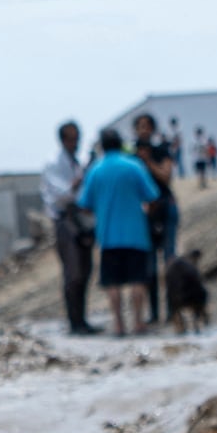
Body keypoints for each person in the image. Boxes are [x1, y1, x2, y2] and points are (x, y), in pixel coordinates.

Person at [76, 127, 161, 337]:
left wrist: (101, 208)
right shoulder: (134, 166)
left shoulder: (96, 170)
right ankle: (139, 322)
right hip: (136, 232)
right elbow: (152, 195)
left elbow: (84, 204)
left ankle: (119, 324)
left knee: (112, 282)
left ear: (102, 146)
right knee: (137, 280)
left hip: (108, 235)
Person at [41, 120, 99, 335]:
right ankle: (74, 321)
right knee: (73, 272)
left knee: (85, 270)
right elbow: (62, 195)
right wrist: (80, 179)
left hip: (82, 220)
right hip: (65, 221)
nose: (76, 143)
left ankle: (82, 319)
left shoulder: (77, 162)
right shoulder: (53, 164)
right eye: (72, 138)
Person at [132, 113, 177, 324]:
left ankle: (172, 309)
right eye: (140, 126)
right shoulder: (130, 155)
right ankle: (154, 313)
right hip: (144, 215)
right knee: (149, 266)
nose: (144, 130)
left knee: (169, 261)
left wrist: (148, 161)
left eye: (147, 126)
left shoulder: (161, 150)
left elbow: (166, 176)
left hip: (165, 209)